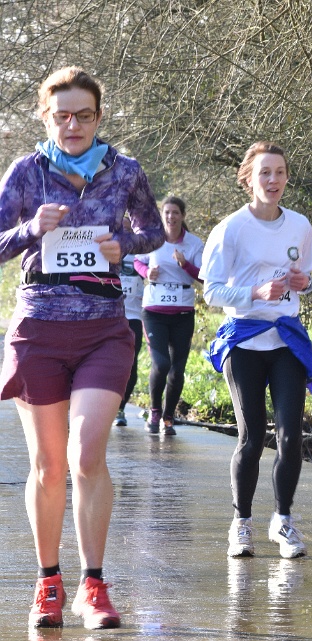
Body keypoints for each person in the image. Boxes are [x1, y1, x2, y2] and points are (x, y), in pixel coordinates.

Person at [0, 66, 164, 629]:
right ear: (45, 117)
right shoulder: (26, 172)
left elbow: (153, 232)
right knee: (49, 467)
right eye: (62, 115)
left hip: (102, 328)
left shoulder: (125, 171)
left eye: (84, 115)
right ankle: (48, 582)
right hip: (40, 329)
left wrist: (123, 245)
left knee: (86, 454)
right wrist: (30, 230)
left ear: (98, 117)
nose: (73, 125)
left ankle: (93, 587)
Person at [200, 141, 312, 560]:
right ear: (248, 179)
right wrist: (254, 292)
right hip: (245, 341)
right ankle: (241, 524)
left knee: (290, 436)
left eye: (280, 172)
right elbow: (212, 292)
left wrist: (304, 283)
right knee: (252, 437)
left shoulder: (300, 225)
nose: (273, 180)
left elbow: (306, 276)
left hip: (286, 341)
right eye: (265, 173)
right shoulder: (231, 229)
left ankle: (283, 521)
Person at [134, 195, 204, 436]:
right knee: (161, 363)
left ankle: (168, 417)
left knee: (177, 370)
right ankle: (154, 411)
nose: (171, 217)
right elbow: (137, 261)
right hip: (154, 311)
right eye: (166, 212)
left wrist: (185, 265)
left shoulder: (193, 244)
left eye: (175, 212)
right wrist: (147, 272)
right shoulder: (152, 238)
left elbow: (204, 275)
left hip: (183, 312)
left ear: (183, 216)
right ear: (161, 215)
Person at [114, 216, 146, 428]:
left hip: (134, 315)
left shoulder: (141, 254)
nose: (124, 233)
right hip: (109, 314)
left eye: (128, 230)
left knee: (131, 364)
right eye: (120, 229)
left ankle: (120, 408)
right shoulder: (106, 250)